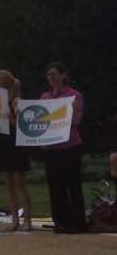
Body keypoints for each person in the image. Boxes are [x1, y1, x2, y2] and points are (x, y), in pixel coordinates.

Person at [40, 62, 86, 234]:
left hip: (69, 146)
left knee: (73, 186)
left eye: (54, 74)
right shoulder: (44, 97)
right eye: (49, 75)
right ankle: (61, 221)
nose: (51, 78)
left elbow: (76, 122)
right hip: (50, 148)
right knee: (55, 186)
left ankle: (77, 222)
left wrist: (73, 110)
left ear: (63, 75)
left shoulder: (74, 95)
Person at [0, 70, 31, 232]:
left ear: (0, 83)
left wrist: (10, 119)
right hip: (2, 141)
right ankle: (14, 219)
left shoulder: (15, 101)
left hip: (16, 142)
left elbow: (23, 125)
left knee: (19, 184)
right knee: (8, 184)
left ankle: (27, 220)